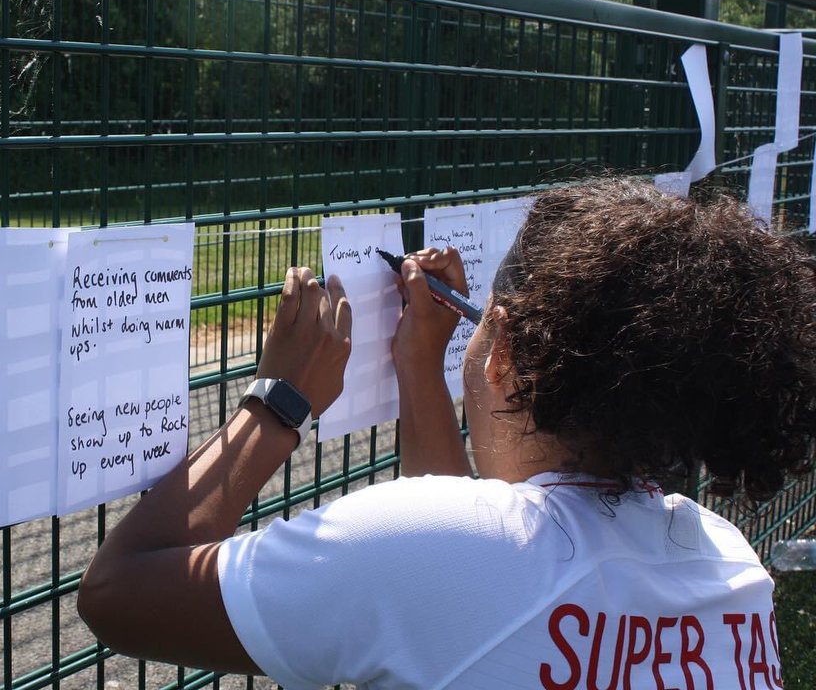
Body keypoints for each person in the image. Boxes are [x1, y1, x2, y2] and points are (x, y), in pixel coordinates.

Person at [77, 177, 816, 689]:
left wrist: (278, 405)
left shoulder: (452, 556)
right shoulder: (726, 562)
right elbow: (479, 565)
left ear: (504, 357)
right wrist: (419, 367)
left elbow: (115, 594)